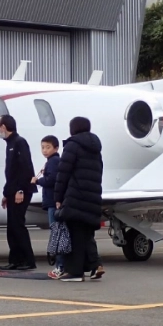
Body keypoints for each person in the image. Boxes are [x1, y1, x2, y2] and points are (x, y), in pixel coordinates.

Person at [53, 117, 104, 282]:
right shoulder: (95, 148)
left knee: (74, 234)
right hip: (93, 195)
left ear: (73, 129)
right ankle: (95, 264)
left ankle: (75, 272)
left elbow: (63, 173)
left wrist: (58, 198)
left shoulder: (72, 146)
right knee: (86, 234)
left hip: (76, 196)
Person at [0, 114, 36, 271]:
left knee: (18, 225)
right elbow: (11, 173)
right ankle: (15, 259)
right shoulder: (10, 144)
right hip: (13, 191)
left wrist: (20, 190)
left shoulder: (19, 143)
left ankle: (28, 259)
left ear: (4, 127)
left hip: (22, 190)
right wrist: (7, 193)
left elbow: (25, 168)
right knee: (12, 226)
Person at [31, 135, 64, 279]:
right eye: (43, 147)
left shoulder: (53, 161)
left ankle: (60, 266)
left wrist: (38, 180)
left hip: (53, 202)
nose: (44, 150)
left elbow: (52, 180)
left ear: (56, 148)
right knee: (57, 233)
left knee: (56, 234)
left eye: (48, 147)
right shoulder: (52, 161)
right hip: (51, 202)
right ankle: (60, 265)